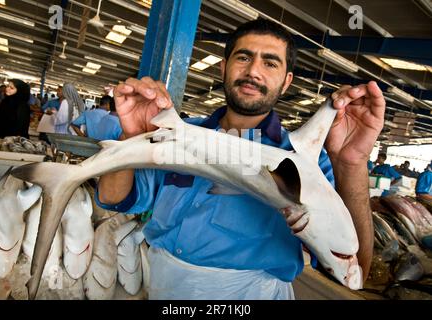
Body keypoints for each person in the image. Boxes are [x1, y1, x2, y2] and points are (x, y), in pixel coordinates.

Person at [97, 19, 384, 299]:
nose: (254, 72)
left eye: (270, 63)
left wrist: (351, 163)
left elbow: (354, 267)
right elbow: (113, 198)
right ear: (223, 67)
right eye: (244, 57)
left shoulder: (307, 163)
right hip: (164, 286)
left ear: (286, 82)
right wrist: (130, 136)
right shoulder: (177, 133)